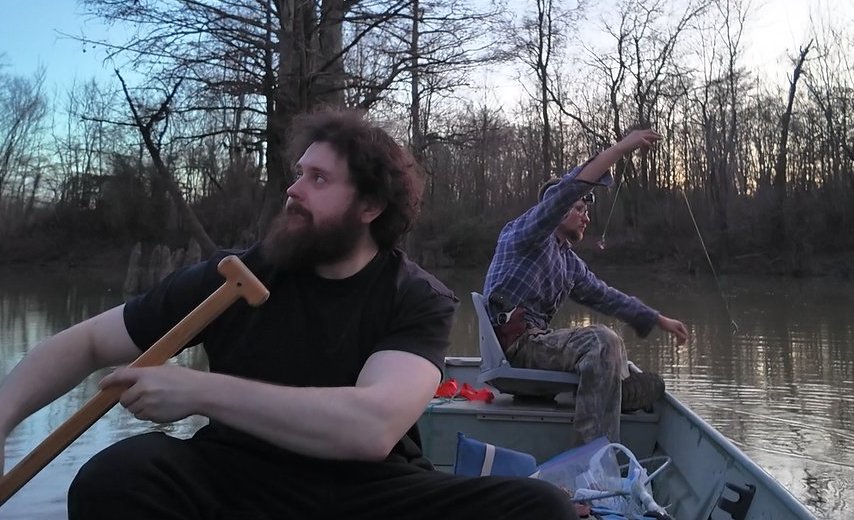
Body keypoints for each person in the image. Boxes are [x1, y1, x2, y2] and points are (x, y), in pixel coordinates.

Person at [0, 110, 576, 520]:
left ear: (370, 206)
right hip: (235, 476)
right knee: (115, 477)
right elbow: (85, 345)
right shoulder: (235, 277)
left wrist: (199, 391)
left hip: (369, 491)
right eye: (299, 173)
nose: (293, 190)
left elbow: (370, 428)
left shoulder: (417, 297)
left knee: (539, 508)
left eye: (318, 178)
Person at [483, 128, 689, 445]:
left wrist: (659, 319)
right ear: (556, 209)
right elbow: (568, 189)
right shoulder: (526, 233)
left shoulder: (568, 262)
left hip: (536, 345)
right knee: (601, 341)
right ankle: (592, 460)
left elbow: (607, 297)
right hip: (517, 348)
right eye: (579, 208)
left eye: (587, 211)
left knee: (611, 345)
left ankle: (618, 387)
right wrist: (620, 149)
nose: (586, 217)